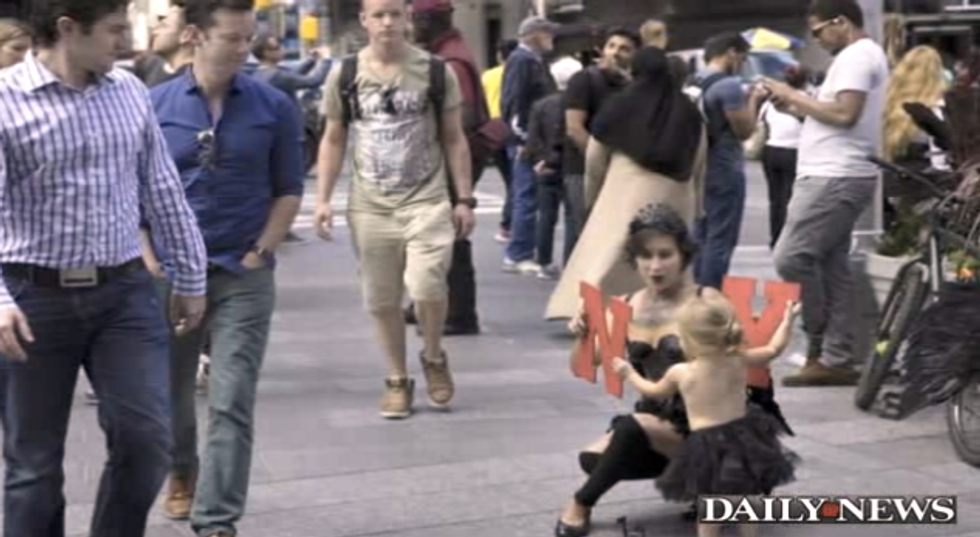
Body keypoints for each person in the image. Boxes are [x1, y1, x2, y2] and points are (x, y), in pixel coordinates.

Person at [0, 0, 209, 534]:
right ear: (69, 29)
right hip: (30, 299)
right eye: (115, 30)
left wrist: (190, 275)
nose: (125, 42)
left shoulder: (129, 92)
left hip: (123, 293)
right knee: (33, 469)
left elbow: (161, 188)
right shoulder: (5, 102)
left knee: (146, 443)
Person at [149, 0, 305, 533]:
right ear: (195, 35)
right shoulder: (153, 104)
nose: (244, 49)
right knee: (169, 393)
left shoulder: (273, 105)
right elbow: (132, 193)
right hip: (168, 271)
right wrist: (150, 262)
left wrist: (261, 252)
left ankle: (216, 519)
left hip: (243, 270)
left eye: (248, 37)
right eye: (232, 38)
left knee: (232, 394)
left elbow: (288, 189)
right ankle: (180, 471)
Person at [554, 204, 795, 537]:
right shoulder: (624, 305)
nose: (655, 266)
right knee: (593, 459)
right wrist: (584, 335)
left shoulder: (707, 302)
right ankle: (698, 482)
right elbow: (584, 364)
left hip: (709, 424)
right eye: (645, 256)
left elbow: (743, 368)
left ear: (683, 255)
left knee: (629, 431)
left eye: (665, 254)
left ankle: (580, 504)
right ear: (634, 259)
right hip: (658, 417)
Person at [314, 0, 476, 420]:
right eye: (378, 14)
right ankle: (396, 379)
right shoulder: (345, 73)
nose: (387, 22)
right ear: (365, 21)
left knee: (427, 286)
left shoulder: (436, 71)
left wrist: (463, 199)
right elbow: (333, 138)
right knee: (382, 298)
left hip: (426, 198)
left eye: (395, 14)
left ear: (408, 18)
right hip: (370, 206)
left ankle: (434, 354)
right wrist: (323, 200)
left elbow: (455, 138)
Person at [763, 0, 889, 387]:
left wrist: (793, 94)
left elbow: (844, 114)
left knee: (790, 258)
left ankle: (817, 340)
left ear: (841, 22)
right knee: (832, 268)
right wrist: (798, 108)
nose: (816, 39)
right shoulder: (859, 56)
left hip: (833, 177)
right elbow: (836, 115)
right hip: (837, 174)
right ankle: (836, 358)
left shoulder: (855, 55)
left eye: (818, 31)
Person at [612, 288, 800, 537]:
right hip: (746, 436)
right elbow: (774, 349)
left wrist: (629, 373)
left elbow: (654, 391)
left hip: (708, 444)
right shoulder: (738, 359)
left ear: (688, 341)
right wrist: (788, 319)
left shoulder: (682, 372)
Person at [546, 46, 705, 321]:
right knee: (667, 254)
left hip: (626, 189)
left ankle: (589, 310)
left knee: (611, 253)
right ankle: (663, 309)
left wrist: (593, 194)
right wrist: (698, 204)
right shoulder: (689, 111)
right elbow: (701, 160)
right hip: (676, 191)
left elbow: (596, 155)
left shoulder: (620, 104)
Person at [408, 0, 490, 335]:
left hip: (451, 161)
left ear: (428, 21)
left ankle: (460, 313)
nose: (410, 24)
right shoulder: (445, 54)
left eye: (413, 18)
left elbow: (464, 118)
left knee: (451, 236)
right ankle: (423, 301)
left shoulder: (452, 61)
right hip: (442, 160)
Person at [692, 32, 765, 289]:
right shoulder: (728, 86)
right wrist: (754, 100)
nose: (742, 63)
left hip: (698, 166)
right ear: (732, 52)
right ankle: (710, 297)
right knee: (721, 238)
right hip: (724, 167)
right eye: (743, 58)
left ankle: (693, 293)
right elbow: (744, 131)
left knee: (699, 235)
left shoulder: (694, 80)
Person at [562, 28, 640, 266]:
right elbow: (575, 128)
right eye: (612, 46)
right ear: (602, 49)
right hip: (583, 170)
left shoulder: (633, 85)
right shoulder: (585, 80)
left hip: (621, 170)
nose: (616, 52)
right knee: (586, 233)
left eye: (624, 49)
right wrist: (600, 164)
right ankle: (576, 294)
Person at [501, 16, 558, 274]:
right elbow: (514, 102)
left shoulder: (531, 60)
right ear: (534, 34)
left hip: (531, 138)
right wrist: (523, 137)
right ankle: (518, 253)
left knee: (527, 195)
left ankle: (521, 251)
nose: (552, 38)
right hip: (527, 139)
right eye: (548, 33)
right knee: (526, 196)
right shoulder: (522, 60)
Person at [523, 57, 582, 279]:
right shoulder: (579, 104)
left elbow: (533, 139)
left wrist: (539, 159)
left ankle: (544, 261)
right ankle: (570, 263)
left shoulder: (541, 105)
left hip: (545, 166)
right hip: (571, 166)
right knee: (571, 216)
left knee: (546, 215)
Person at [758, 65, 808, 249]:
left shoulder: (772, 101)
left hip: (771, 150)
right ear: (804, 80)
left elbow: (763, 123)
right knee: (790, 198)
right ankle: (787, 241)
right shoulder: (808, 100)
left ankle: (775, 238)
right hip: (794, 151)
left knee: (775, 198)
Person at [482, 39, 518, 243]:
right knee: (515, 182)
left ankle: (509, 223)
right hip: (510, 126)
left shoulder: (488, 75)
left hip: (493, 128)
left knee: (509, 180)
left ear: (499, 55)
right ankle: (507, 224)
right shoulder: (517, 72)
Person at [133, 0, 194, 87]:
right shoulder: (151, 65)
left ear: (187, 35)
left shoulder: (195, 78)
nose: (155, 31)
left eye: (164, 26)